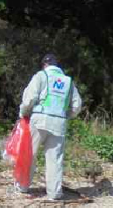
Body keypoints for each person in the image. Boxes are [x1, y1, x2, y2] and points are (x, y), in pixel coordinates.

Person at [17, 54, 82, 200]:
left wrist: (24, 113)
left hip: (39, 120)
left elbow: (29, 98)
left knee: (30, 154)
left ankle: (22, 186)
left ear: (44, 65)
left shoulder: (41, 76)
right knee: (55, 159)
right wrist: (66, 115)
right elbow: (77, 106)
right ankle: (54, 193)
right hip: (59, 122)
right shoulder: (68, 81)